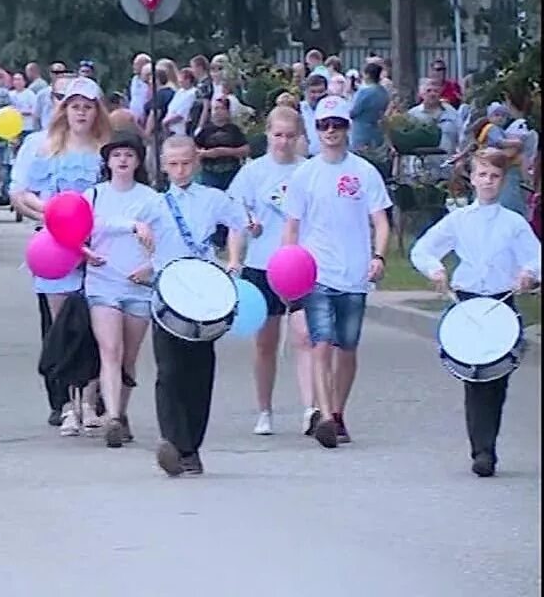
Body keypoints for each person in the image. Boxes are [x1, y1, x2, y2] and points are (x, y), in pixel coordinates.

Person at [409, 148, 540, 477]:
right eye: (482, 175)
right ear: (472, 178)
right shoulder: (459, 220)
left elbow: (536, 257)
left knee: (497, 379)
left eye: (495, 176)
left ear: (502, 180)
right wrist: (435, 270)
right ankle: (481, 451)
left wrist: (529, 273)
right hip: (468, 302)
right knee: (474, 376)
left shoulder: (513, 223)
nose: (488, 182)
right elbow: (423, 249)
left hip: (500, 301)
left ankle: (488, 445)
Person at [283, 95, 392, 449]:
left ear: (347, 128)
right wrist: (289, 267)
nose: (331, 131)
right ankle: (325, 416)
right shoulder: (305, 175)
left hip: (355, 272)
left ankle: (340, 411)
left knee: (347, 348)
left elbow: (381, 220)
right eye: (324, 125)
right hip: (316, 273)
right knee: (321, 343)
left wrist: (379, 256)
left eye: (337, 125)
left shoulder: (364, 172)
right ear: (316, 130)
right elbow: (292, 226)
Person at [142, 136, 246, 476]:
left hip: (203, 295)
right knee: (168, 371)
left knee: (199, 373)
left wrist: (233, 260)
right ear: (163, 166)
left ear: (196, 162)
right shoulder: (154, 204)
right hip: (167, 294)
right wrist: (140, 236)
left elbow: (239, 222)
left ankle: (192, 448)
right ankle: (171, 442)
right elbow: (128, 229)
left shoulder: (213, 199)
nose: (180, 170)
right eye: (172, 164)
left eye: (185, 163)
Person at [9, 76, 106, 433]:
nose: (80, 113)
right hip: (55, 246)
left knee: (99, 323)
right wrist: (49, 211)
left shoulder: (105, 148)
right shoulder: (41, 145)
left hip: (98, 243)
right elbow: (21, 192)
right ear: (63, 108)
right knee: (62, 326)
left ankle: (93, 399)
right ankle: (65, 402)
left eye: (87, 106)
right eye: (74, 105)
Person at [228, 107, 315, 435]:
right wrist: (236, 255)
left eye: (290, 136)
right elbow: (237, 217)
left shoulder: (308, 171)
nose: (283, 142)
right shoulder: (252, 173)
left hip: (300, 265)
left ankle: (311, 408)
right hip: (262, 266)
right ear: (267, 135)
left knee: (304, 336)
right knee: (265, 342)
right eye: (278, 135)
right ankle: (264, 409)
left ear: (299, 138)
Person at [78, 130, 157, 447]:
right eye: (116, 155)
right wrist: (86, 252)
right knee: (109, 349)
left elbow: (165, 242)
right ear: (107, 161)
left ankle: (121, 413)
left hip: (138, 285)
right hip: (102, 283)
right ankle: (110, 415)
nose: (122, 160)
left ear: (138, 161)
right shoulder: (93, 196)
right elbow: (81, 232)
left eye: (129, 155)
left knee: (128, 356)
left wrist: (150, 267)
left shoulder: (152, 199)